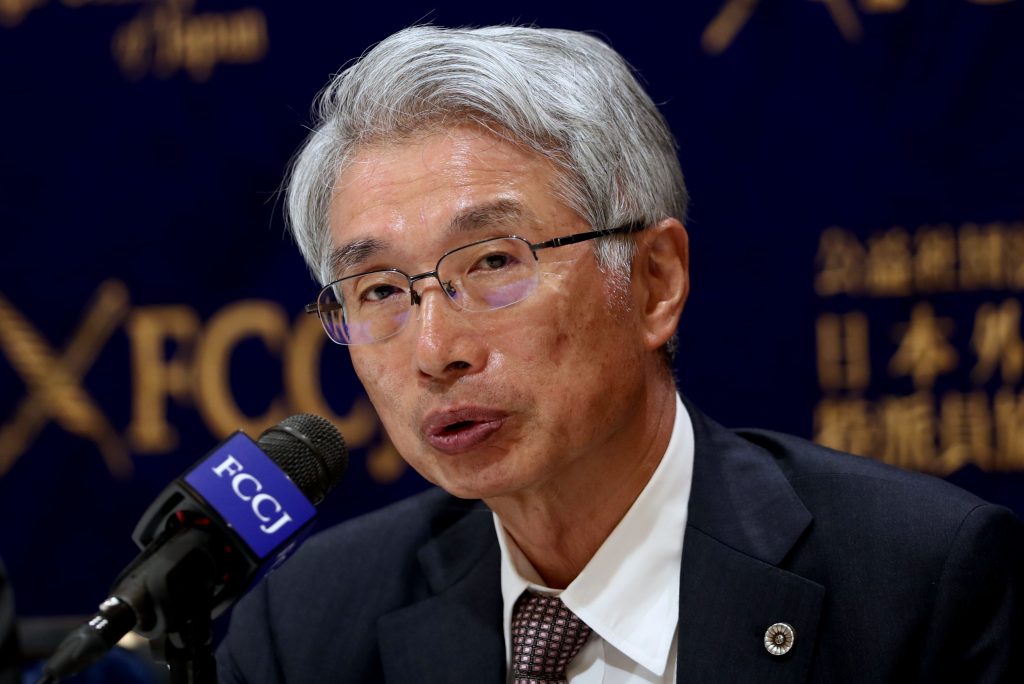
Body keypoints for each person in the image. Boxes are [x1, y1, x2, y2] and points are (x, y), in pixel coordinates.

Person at [217, 25, 1023, 683]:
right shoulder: (306, 630)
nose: (436, 352)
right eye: (381, 291)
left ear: (653, 282)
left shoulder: (918, 585)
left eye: (493, 263)